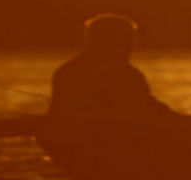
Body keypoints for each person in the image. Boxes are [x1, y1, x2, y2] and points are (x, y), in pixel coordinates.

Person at [48, 13, 183, 122]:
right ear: (111, 40)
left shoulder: (66, 70)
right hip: (112, 138)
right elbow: (146, 108)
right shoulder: (123, 74)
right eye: (128, 39)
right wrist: (181, 121)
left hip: (72, 138)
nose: (132, 45)